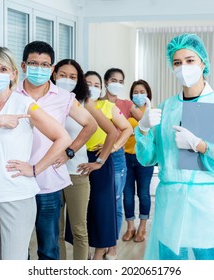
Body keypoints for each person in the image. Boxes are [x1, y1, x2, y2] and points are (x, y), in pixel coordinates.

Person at [135, 33, 214, 260]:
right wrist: (142, 129)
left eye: (190, 60)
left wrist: (201, 146)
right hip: (171, 204)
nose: (183, 67)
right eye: (177, 63)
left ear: (203, 63)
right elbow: (148, 158)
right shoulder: (166, 108)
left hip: (207, 206)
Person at [0, 47, 71, 260]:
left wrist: (35, 169)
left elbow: (62, 137)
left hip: (16, 196)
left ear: (13, 74)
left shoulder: (25, 104)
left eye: (2, 69)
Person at [16, 41, 97, 260]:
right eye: (33, 63)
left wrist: (69, 151)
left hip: (49, 183)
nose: (39, 68)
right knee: (18, 249)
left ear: (52, 69)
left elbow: (91, 124)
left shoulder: (64, 97)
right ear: (23, 65)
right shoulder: (12, 93)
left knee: (49, 247)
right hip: (16, 181)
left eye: (44, 64)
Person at [51, 59, 118, 260]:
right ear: (54, 74)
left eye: (73, 77)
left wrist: (100, 161)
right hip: (50, 172)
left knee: (80, 230)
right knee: (56, 232)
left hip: (76, 173)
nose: (67, 80)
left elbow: (112, 131)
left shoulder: (84, 101)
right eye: (63, 75)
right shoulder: (46, 100)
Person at [79, 70, 132, 260]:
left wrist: (114, 147)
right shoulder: (76, 105)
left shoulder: (107, 106)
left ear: (102, 88)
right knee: (83, 209)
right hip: (77, 160)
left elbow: (127, 128)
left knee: (102, 207)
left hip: (100, 159)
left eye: (96, 85)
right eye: (88, 84)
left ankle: (101, 251)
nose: (92, 88)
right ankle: (85, 249)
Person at [101, 68, 143, 258]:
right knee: (98, 202)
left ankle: (112, 246)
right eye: (113, 80)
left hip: (117, 156)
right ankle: (98, 245)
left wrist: (119, 144)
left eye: (120, 81)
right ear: (106, 81)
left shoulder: (126, 104)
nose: (116, 84)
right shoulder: (95, 103)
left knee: (116, 201)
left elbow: (144, 122)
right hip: (96, 155)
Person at [122, 79, 155, 243]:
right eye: (136, 92)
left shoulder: (151, 112)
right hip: (126, 157)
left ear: (148, 94)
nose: (139, 95)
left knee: (143, 193)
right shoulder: (127, 110)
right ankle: (130, 227)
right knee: (127, 194)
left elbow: (154, 135)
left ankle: (142, 228)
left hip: (144, 159)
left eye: (142, 92)